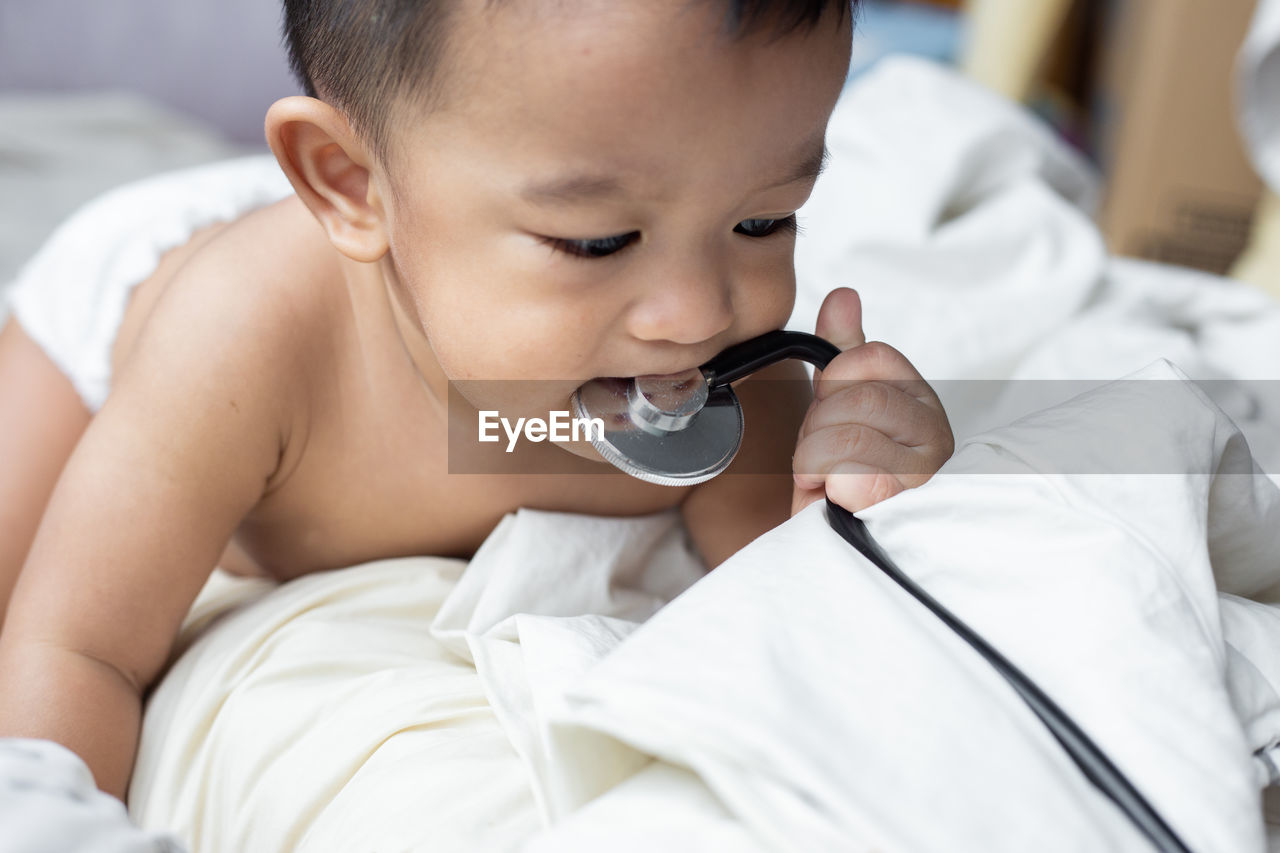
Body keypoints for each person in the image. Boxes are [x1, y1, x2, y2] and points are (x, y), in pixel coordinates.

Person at [0, 0, 953, 803]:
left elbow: (792, 596)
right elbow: (79, 652)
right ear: (351, 185)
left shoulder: (728, 373)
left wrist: (870, 493)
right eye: (597, 241)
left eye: (763, 219)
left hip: (427, 220)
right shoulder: (238, 343)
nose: (697, 312)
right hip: (134, 301)